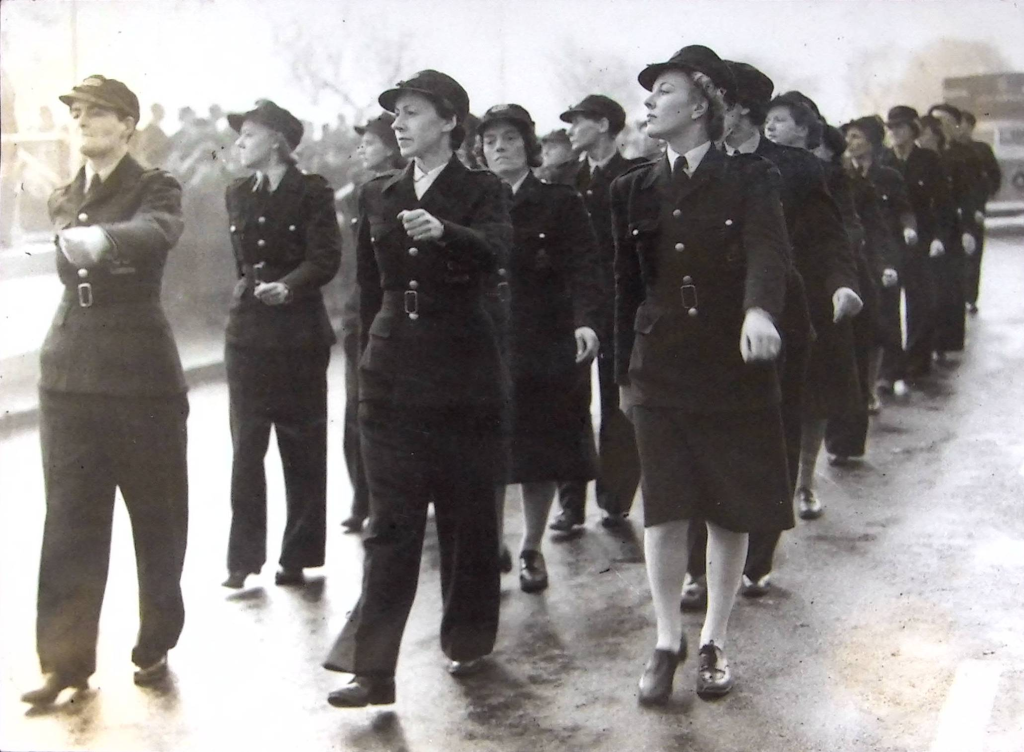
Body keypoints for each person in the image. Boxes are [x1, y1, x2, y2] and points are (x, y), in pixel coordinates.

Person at [323, 70, 513, 707]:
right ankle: (372, 670)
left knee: (466, 512)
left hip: (462, 371)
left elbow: (498, 251)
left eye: (411, 113)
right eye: (395, 114)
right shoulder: (378, 192)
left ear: (450, 120)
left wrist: (447, 233)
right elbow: (370, 287)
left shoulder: (482, 189)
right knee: (391, 522)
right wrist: (366, 363)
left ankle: (466, 636)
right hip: (391, 371)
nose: (398, 125)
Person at [615, 45, 792, 704]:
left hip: (732, 366)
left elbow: (768, 253)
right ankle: (666, 640)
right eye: (650, 91)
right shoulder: (631, 188)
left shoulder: (752, 179)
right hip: (659, 367)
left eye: (663, 89)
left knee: (727, 513)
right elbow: (623, 291)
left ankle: (714, 638)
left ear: (703, 101)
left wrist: (757, 311)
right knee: (661, 514)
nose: (651, 101)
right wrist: (621, 376)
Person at [22, 75, 189, 705]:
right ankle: (65, 664)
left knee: (157, 515)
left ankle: (155, 641)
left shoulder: (156, 186)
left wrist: (106, 239)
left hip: (139, 373)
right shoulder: (65, 196)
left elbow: (160, 229)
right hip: (70, 371)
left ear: (127, 125)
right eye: (77, 113)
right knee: (69, 521)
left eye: (97, 113)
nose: (83, 121)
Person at [681, 64, 857, 607]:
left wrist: (842, 284)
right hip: (709, 327)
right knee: (704, 444)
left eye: (720, 103)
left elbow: (830, 236)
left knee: (771, 440)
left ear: (741, 111)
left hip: (781, 322)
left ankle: (756, 558)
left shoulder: (797, 168)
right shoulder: (694, 164)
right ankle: (696, 568)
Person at [476, 103, 603, 592]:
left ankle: (530, 548)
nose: (499, 148)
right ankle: (492, 542)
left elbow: (585, 269)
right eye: (490, 141)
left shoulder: (560, 201)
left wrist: (586, 323)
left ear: (528, 145)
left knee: (541, 453)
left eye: (509, 138)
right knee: (486, 449)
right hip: (484, 344)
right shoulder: (471, 202)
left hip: (545, 346)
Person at [221, 100, 342, 590]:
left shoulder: (311, 192)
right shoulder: (236, 193)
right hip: (248, 333)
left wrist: (289, 286)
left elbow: (326, 257)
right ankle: (243, 558)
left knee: (301, 444)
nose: (239, 144)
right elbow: (243, 263)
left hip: (297, 335)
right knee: (246, 446)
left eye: (248, 135)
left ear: (276, 140)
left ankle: (298, 555)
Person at [763, 92, 862, 522]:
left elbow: (836, 236)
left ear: (804, 129)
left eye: (781, 121)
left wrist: (842, 284)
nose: (771, 127)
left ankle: (804, 484)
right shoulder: (754, 170)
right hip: (768, 293)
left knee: (813, 396)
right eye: (768, 120)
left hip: (815, 295)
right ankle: (773, 486)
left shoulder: (825, 175)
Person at [551, 93, 643, 533]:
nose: (570, 130)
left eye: (579, 121)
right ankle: (571, 506)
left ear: (604, 125)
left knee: (615, 401)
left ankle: (615, 497)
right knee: (569, 404)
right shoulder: (563, 177)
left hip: (618, 305)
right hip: (569, 307)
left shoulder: (633, 176)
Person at [339, 112, 405, 535]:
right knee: (355, 408)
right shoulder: (356, 195)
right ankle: (361, 498)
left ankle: (393, 496)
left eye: (370, 141)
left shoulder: (409, 189)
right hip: (359, 308)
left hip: (395, 308)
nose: (361, 148)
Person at [824, 118, 905, 462]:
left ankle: (850, 430)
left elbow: (878, 229)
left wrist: (886, 264)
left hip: (862, 273)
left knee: (868, 340)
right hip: (829, 277)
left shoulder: (862, 184)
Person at [881, 106, 956, 387]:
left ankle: (916, 360)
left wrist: (939, 238)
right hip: (890, 241)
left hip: (922, 240)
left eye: (900, 127)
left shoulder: (928, 160)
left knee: (921, 303)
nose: (894, 133)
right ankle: (891, 368)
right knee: (888, 304)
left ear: (913, 131)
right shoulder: (884, 160)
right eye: (890, 128)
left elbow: (944, 204)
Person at [925, 105, 978, 363]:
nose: (940, 126)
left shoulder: (958, 158)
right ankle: (928, 341)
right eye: (936, 121)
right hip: (927, 228)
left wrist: (968, 228)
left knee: (948, 286)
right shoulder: (922, 155)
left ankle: (945, 341)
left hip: (952, 229)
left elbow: (967, 196)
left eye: (945, 122)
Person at [961, 110, 1001, 313]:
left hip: (975, 207)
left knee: (973, 253)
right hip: (956, 208)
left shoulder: (981, 150)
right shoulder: (946, 149)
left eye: (965, 124)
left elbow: (993, 176)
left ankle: (970, 296)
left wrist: (984, 199)